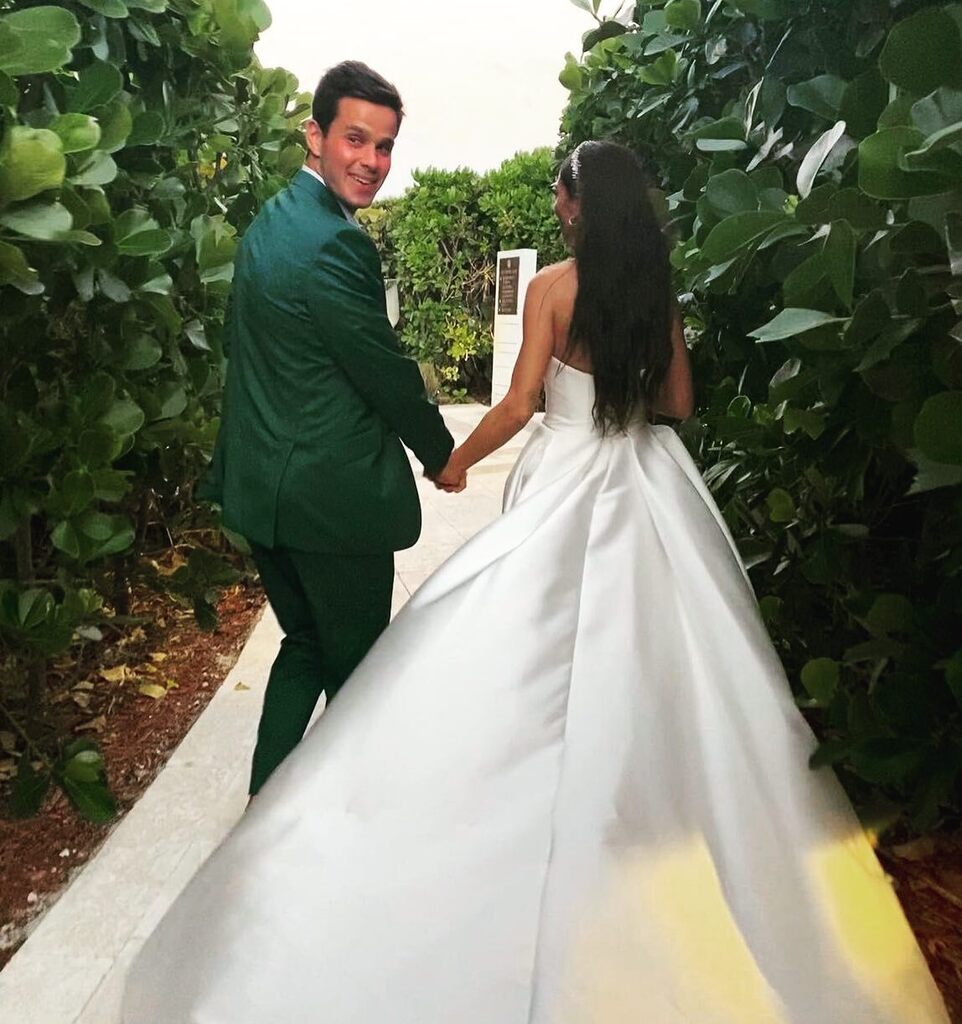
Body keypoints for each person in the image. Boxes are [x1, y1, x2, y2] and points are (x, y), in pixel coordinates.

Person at [125, 141, 949, 1023]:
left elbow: (518, 405)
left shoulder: (554, 287)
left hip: (562, 480)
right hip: (647, 482)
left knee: (520, 641)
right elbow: (679, 404)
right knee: (673, 650)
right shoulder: (654, 288)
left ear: (568, 205)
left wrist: (454, 463)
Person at [198, 61, 458, 797]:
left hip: (267, 497)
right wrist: (443, 454)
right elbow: (383, 370)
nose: (371, 162)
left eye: (384, 147)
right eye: (355, 139)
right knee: (361, 680)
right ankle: (349, 844)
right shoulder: (334, 244)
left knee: (305, 646)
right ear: (314, 135)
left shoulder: (269, 224)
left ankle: (264, 817)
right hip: (330, 504)